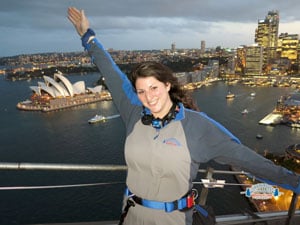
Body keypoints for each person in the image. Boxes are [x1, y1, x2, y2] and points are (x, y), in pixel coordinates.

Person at [67, 7, 300, 225]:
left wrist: (295, 182)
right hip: (131, 215)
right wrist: (88, 37)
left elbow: (249, 161)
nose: (148, 97)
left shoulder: (197, 126)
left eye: (154, 88)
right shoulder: (133, 112)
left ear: (168, 85)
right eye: (141, 91)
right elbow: (111, 71)